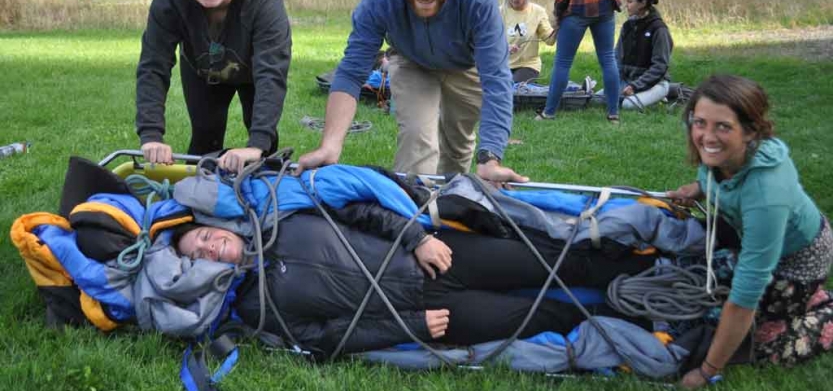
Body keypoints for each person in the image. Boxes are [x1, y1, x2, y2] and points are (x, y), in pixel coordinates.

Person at [173, 202, 656, 356]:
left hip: (440, 257)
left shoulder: (285, 217)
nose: (211, 246)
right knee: (547, 315)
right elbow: (327, 338)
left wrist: (415, 238)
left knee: (552, 263)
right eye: (200, 254)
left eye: (207, 236)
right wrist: (411, 328)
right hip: (431, 315)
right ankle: (650, 321)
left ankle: (653, 273)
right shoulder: (255, 310)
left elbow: (362, 211)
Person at [296, 0, 528, 184]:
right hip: (411, 60)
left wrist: (490, 158)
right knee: (417, 140)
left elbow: (496, 79)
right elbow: (352, 71)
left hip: (465, 66)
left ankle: (449, 202)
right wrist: (330, 146)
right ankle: (412, 210)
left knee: (457, 146)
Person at [666, 75, 833, 388]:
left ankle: (822, 307)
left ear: (751, 131)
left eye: (723, 126)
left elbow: (744, 297)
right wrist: (698, 188)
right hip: (756, 239)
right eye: (699, 122)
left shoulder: (766, 193)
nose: (707, 136)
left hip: (799, 264)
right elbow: (714, 176)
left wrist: (707, 370)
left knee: (756, 344)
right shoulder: (723, 155)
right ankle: (806, 301)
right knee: (693, 282)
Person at [135, 0, 291, 173]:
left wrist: (257, 144)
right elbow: (153, 64)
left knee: (262, 147)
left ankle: (266, 194)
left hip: (254, 71)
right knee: (205, 135)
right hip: (202, 68)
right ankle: (196, 200)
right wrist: (151, 135)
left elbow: (271, 70)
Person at [538, 0, 621, 123]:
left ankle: (549, 113)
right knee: (608, 59)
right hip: (605, 8)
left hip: (577, 9)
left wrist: (559, 11)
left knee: (562, 62)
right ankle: (613, 114)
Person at [594, 0, 673, 111]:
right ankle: (648, 97)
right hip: (627, 82)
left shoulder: (659, 29)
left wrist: (635, 86)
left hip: (655, 83)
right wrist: (614, 82)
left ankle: (661, 95)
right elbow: (616, 57)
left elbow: (660, 66)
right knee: (596, 100)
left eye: (630, 2)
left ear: (642, 3)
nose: (626, 6)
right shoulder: (627, 26)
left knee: (627, 105)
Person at [500, 0, 556, 83]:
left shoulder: (538, 12)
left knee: (513, 90)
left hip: (528, 65)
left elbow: (549, 40)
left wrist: (559, 26)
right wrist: (505, 47)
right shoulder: (499, 12)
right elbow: (491, 40)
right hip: (503, 64)